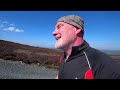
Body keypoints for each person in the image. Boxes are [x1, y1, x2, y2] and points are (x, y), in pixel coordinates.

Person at [52, 15, 120, 79]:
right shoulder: (63, 56)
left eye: (59, 26)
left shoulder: (102, 63)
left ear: (77, 29)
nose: (53, 33)